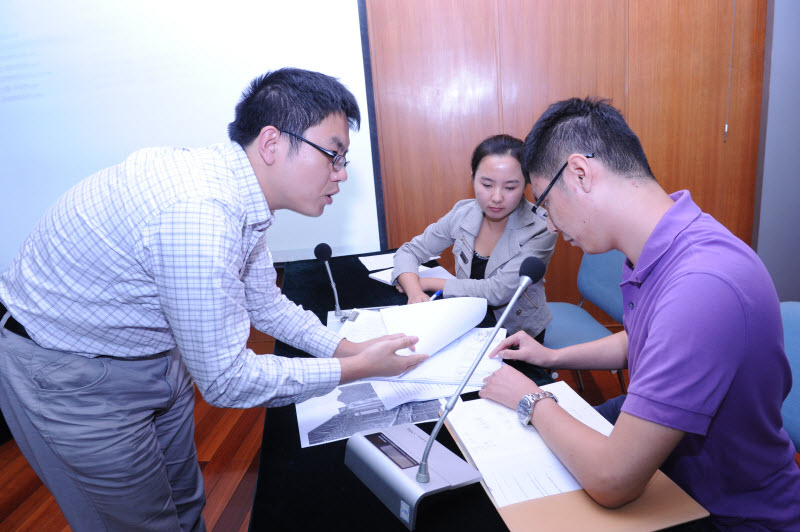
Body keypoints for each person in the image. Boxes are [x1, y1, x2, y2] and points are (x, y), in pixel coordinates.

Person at [0, 68, 427, 532]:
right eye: (334, 155)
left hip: (150, 353)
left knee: (185, 504)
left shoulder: (236, 191)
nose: (341, 174)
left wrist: (348, 349)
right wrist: (356, 369)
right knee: (142, 525)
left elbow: (264, 303)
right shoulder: (200, 212)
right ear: (272, 143)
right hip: (70, 374)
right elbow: (226, 380)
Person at [480, 97, 800, 530]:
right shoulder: (657, 247)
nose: (550, 224)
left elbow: (613, 480)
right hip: (674, 479)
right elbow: (643, 339)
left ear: (579, 173)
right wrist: (551, 357)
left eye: (546, 204)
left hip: (725, 514)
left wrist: (531, 399)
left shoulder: (703, 284)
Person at [392, 134, 557, 341]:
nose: (496, 197)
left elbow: (497, 291)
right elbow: (410, 250)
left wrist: (428, 282)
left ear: (526, 184)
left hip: (516, 332)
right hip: (467, 319)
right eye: (487, 185)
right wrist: (415, 292)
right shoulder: (463, 212)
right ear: (473, 178)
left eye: (510, 187)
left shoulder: (542, 227)